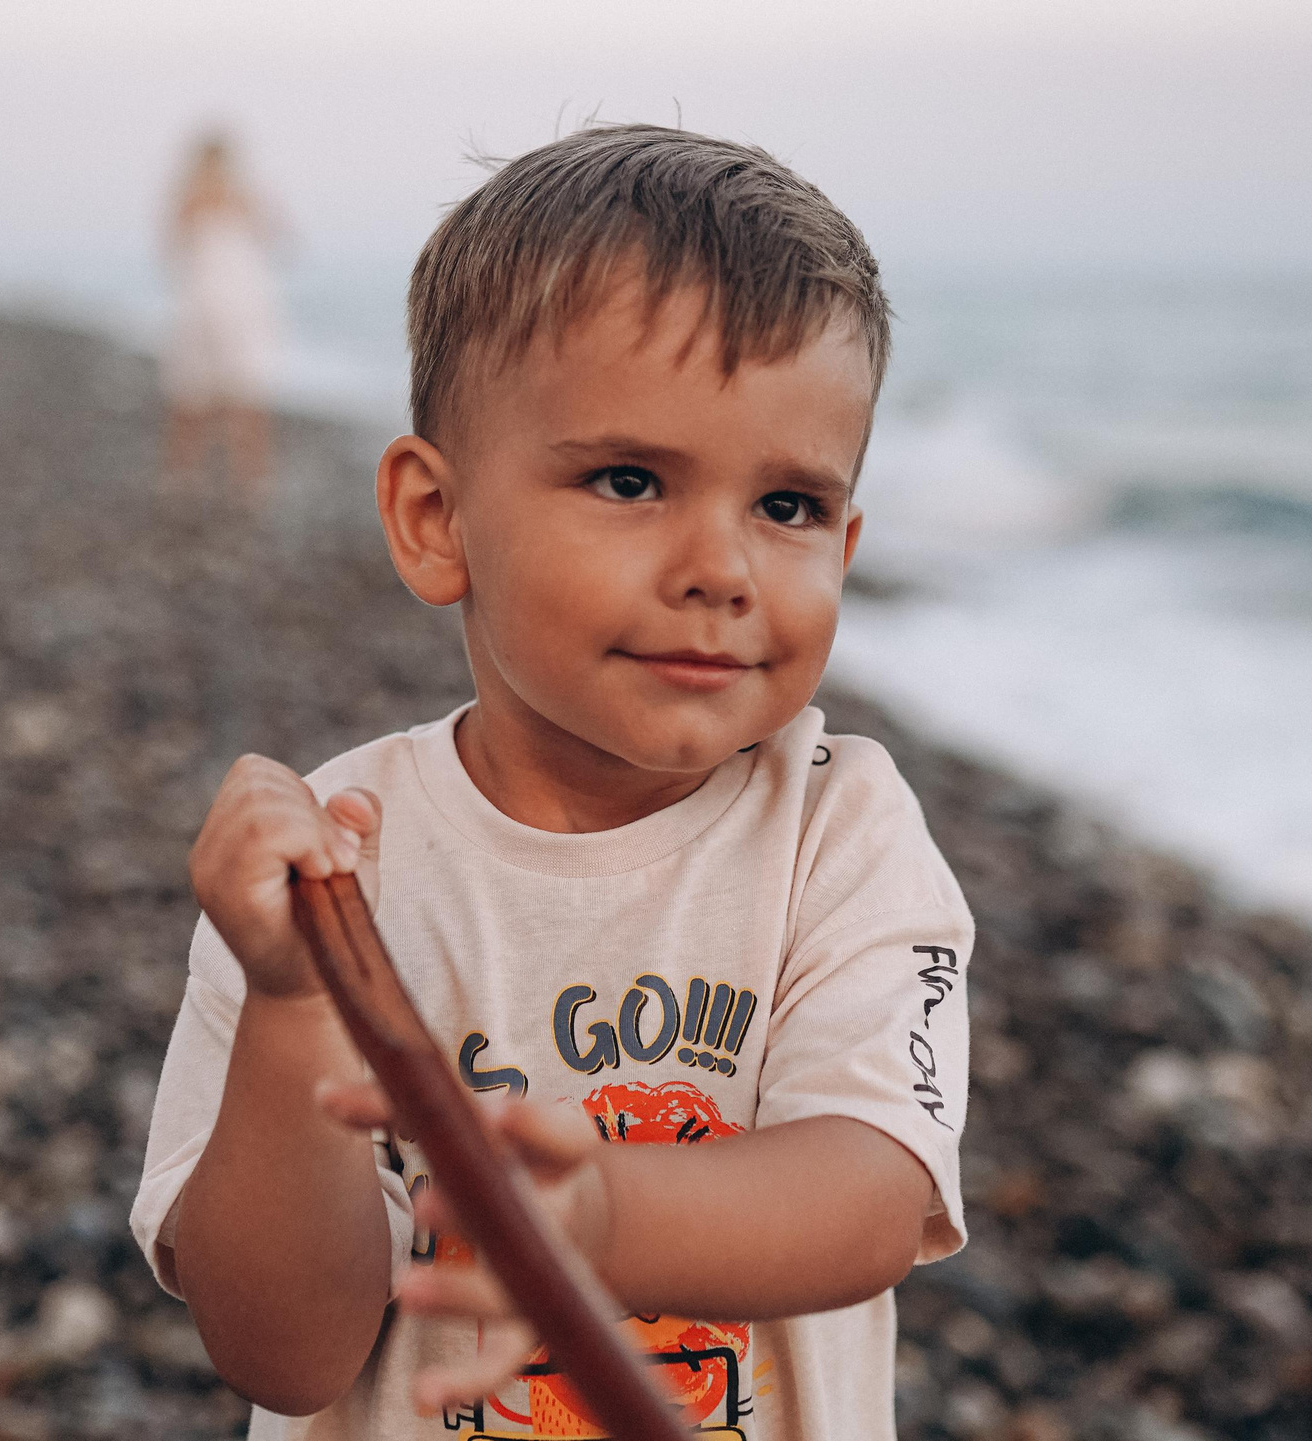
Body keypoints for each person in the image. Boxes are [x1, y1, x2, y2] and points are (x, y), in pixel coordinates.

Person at [132, 125, 973, 1441]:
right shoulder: (328, 871)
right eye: (630, 480)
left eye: (790, 507)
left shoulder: (837, 833)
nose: (723, 567)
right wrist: (294, 1004)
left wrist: (598, 1219)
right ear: (435, 519)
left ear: (849, 544)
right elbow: (281, 1353)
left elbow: (868, 1198)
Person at [159, 128, 287, 506]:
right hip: (205, 303)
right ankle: (185, 477)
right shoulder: (192, 199)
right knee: (192, 396)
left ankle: (249, 479)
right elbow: (172, 246)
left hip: (238, 301)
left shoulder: (241, 197)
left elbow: (279, 238)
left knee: (245, 393)